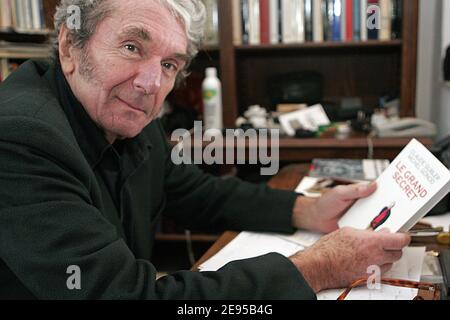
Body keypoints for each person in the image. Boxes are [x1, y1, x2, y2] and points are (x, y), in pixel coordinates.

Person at [0, 0, 410, 299]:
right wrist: (317, 268)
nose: (151, 83)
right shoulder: (20, 137)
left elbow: (196, 192)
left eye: (169, 64)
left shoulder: (122, 113)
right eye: (131, 47)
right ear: (71, 46)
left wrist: (306, 209)